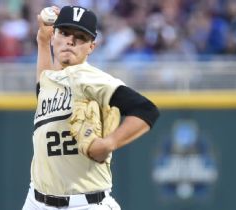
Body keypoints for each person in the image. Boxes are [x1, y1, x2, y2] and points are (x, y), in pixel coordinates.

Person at [22, 5, 159, 210]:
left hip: (85, 204)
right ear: (55, 36)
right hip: (36, 201)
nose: (70, 40)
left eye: (80, 37)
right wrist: (42, 40)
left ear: (91, 47)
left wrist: (109, 143)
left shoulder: (91, 78)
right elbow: (43, 88)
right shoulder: (52, 78)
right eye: (64, 32)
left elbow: (146, 109)